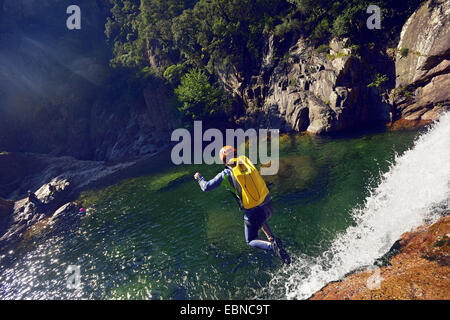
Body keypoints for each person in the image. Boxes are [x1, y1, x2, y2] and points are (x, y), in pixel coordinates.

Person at [194, 146, 290, 264]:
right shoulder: (247, 163)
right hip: (269, 205)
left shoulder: (226, 174)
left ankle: (273, 247)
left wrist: (199, 178)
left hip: (255, 212)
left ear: (223, 161)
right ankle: (272, 239)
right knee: (259, 217)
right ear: (236, 154)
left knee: (250, 240)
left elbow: (206, 187)